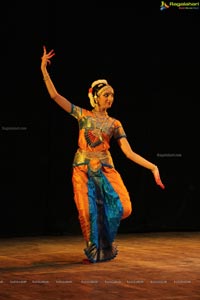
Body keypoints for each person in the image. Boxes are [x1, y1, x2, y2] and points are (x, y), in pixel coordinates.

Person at [41, 45, 165, 264]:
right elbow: (54, 95)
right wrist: (44, 69)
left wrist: (153, 167)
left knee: (124, 208)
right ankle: (94, 246)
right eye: (106, 94)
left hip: (106, 170)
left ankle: (103, 239)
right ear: (96, 97)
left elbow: (128, 153)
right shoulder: (82, 115)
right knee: (86, 212)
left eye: (112, 95)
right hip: (82, 169)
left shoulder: (115, 124)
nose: (110, 98)